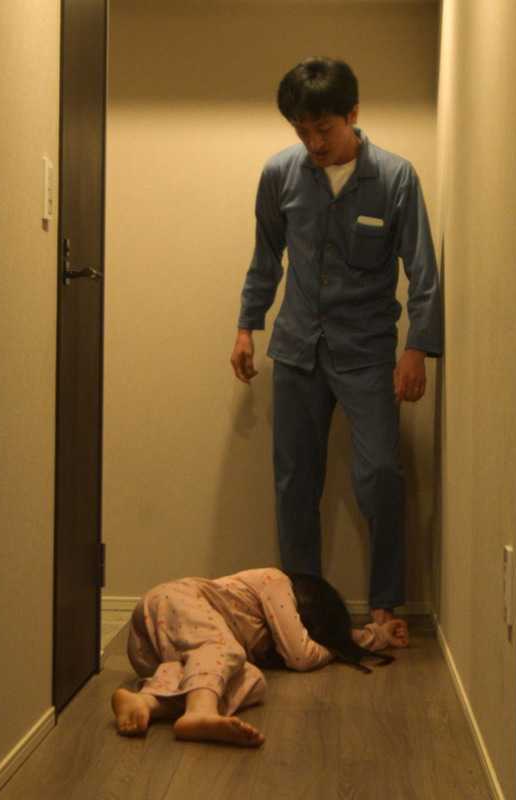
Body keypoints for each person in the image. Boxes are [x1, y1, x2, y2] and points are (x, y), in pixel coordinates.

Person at [229, 57, 443, 627]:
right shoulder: (280, 175)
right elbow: (265, 258)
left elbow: (423, 271)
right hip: (297, 349)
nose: (314, 143)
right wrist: (247, 326)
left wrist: (418, 349)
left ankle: (386, 607)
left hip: (367, 353)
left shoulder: (396, 179)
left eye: (323, 128)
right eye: (302, 131)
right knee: (295, 483)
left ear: (352, 114)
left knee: (380, 476)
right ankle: (301, 612)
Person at [111, 568, 409, 747]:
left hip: (159, 654)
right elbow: (301, 655)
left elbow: (313, 641)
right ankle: (200, 711)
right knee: (224, 649)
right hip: (174, 600)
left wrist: (377, 636)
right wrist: (337, 649)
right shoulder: (275, 580)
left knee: (252, 678)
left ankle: (145, 703)